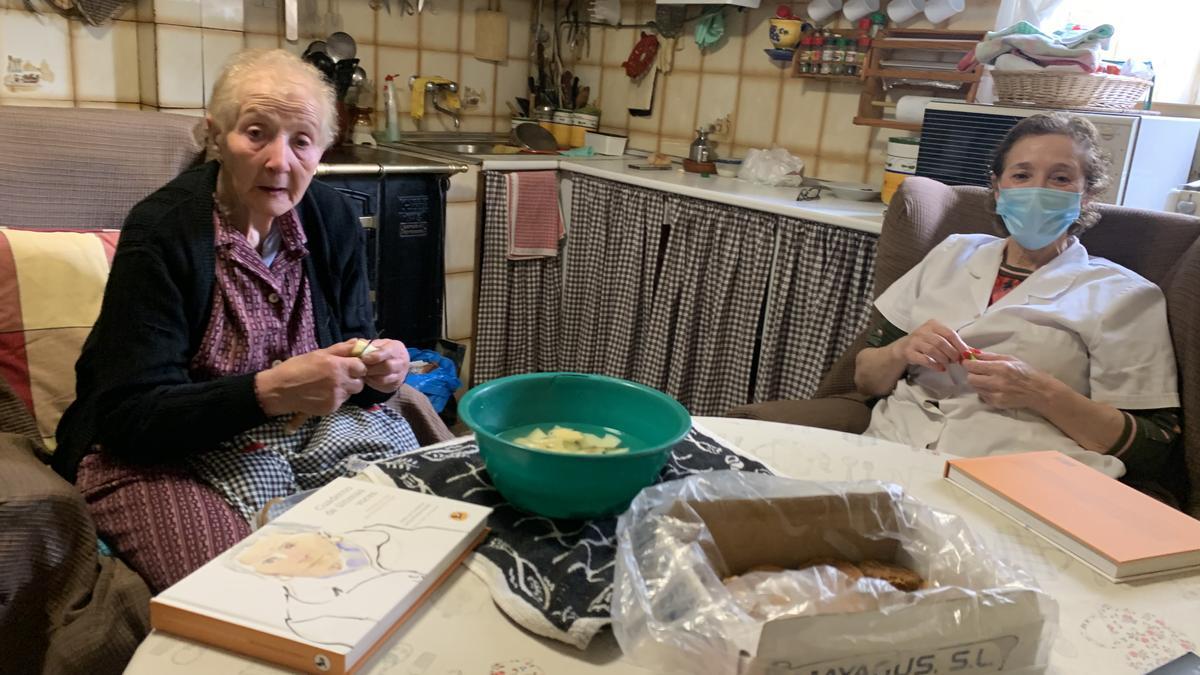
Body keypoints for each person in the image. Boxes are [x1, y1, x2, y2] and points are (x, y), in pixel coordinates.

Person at [55, 48, 443, 591]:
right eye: (256, 133)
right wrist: (270, 391)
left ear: (322, 150)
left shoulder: (332, 219)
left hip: (308, 430)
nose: (280, 161)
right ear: (216, 136)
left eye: (301, 141)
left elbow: (357, 351)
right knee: (248, 590)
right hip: (167, 451)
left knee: (418, 538)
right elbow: (129, 417)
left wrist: (379, 369)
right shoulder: (162, 230)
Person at [855, 112, 1180, 482]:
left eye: (1060, 178)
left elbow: (1154, 448)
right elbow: (866, 380)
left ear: (1087, 194)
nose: (1037, 191)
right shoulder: (953, 252)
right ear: (997, 188)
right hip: (891, 454)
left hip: (1019, 479)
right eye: (1021, 175)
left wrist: (1041, 392)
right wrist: (902, 349)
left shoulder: (1125, 296)